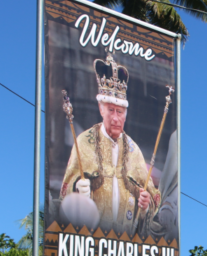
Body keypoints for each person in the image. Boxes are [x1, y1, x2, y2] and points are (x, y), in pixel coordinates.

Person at [60, 54, 157, 236]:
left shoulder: (133, 149)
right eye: (111, 110)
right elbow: (66, 188)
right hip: (91, 238)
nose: (115, 118)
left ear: (126, 113)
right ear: (101, 109)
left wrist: (146, 203)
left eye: (120, 112)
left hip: (125, 242)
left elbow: (151, 194)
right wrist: (76, 189)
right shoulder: (83, 141)